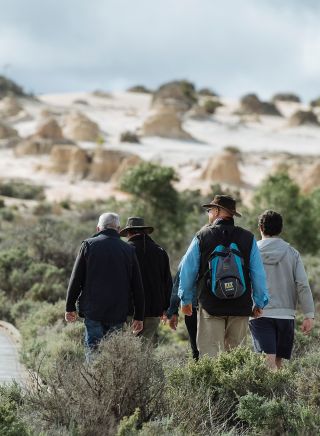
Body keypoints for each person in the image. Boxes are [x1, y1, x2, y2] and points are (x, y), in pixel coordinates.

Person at [178, 194, 269, 358]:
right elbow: (258, 273)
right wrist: (259, 302)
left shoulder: (202, 236)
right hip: (240, 306)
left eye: (210, 210)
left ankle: (214, 385)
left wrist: (185, 300)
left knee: (210, 357)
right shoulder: (248, 238)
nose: (209, 213)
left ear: (218, 211)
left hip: (211, 306)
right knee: (236, 359)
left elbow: (187, 270)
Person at [65, 212, 145, 356]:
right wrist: (139, 315)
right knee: (113, 356)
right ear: (119, 229)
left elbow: (76, 278)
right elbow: (137, 286)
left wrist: (69, 306)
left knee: (93, 352)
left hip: (93, 310)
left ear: (98, 229)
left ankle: (92, 378)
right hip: (118, 312)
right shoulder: (128, 250)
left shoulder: (88, 245)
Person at [249, 210, 315, 369]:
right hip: (286, 315)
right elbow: (303, 284)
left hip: (259, 313)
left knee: (266, 362)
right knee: (278, 363)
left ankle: (268, 394)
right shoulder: (292, 253)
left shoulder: (251, 253)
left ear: (260, 228)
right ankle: (279, 393)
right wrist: (309, 315)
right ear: (280, 229)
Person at [120, 217, 172, 344]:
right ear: (145, 232)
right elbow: (167, 283)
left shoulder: (124, 251)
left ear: (129, 232)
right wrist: (166, 309)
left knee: (128, 350)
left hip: (129, 310)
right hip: (154, 310)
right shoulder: (160, 251)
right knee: (146, 351)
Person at [166, 267, 199, 360]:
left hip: (193, 309)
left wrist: (173, 311)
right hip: (224, 306)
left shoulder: (192, 254)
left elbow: (178, 286)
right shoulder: (231, 252)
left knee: (196, 350)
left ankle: (200, 371)